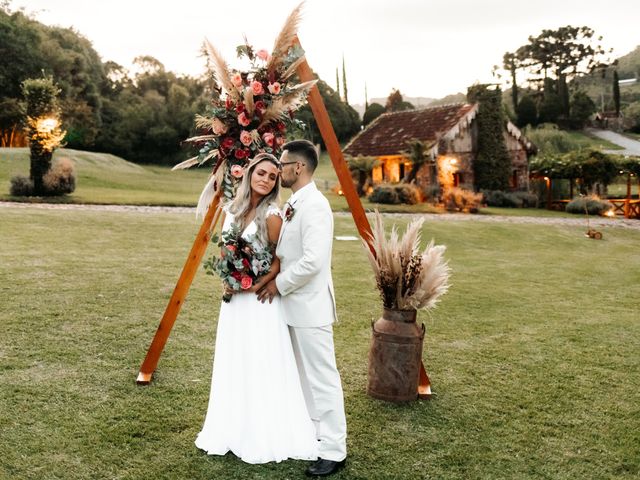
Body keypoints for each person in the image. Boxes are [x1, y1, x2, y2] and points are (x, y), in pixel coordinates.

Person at [195, 153, 318, 464]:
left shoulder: (274, 214)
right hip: (234, 303)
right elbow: (224, 252)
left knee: (262, 361)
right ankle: (232, 427)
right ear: (250, 174)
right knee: (235, 359)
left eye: (273, 176)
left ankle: (267, 430)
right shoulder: (232, 210)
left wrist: (257, 283)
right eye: (261, 173)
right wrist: (229, 278)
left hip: (260, 302)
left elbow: (281, 259)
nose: (266, 179)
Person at [257, 140, 348, 477]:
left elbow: (312, 261)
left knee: (322, 378)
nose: (278, 170)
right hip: (293, 307)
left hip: (310, 308)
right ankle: (316, 438)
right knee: (303, 379)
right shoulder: (295, 202)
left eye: (281, 164)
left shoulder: (316, 206)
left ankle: (335, 450)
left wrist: (276, 284)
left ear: (298, 168)